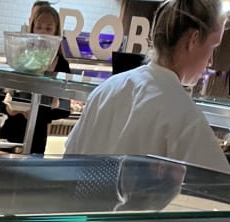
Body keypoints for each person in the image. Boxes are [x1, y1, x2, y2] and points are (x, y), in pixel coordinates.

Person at [64, 0, 230, 172]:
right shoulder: (185, 115)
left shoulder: (105, 90)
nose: (211, 61)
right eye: (213, 46)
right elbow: (218, 183)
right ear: (193, 40)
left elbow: (67, 163)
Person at [0, 4, 70, 155]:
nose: (42, 32)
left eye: (48, 29)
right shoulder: (19, 56)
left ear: (56, 32)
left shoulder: (61, 65)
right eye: (39, 27)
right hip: (11, 131)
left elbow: (65, 108)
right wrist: (8, 109)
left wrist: (37, 114)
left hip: (37, 137)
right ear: (32, 29)